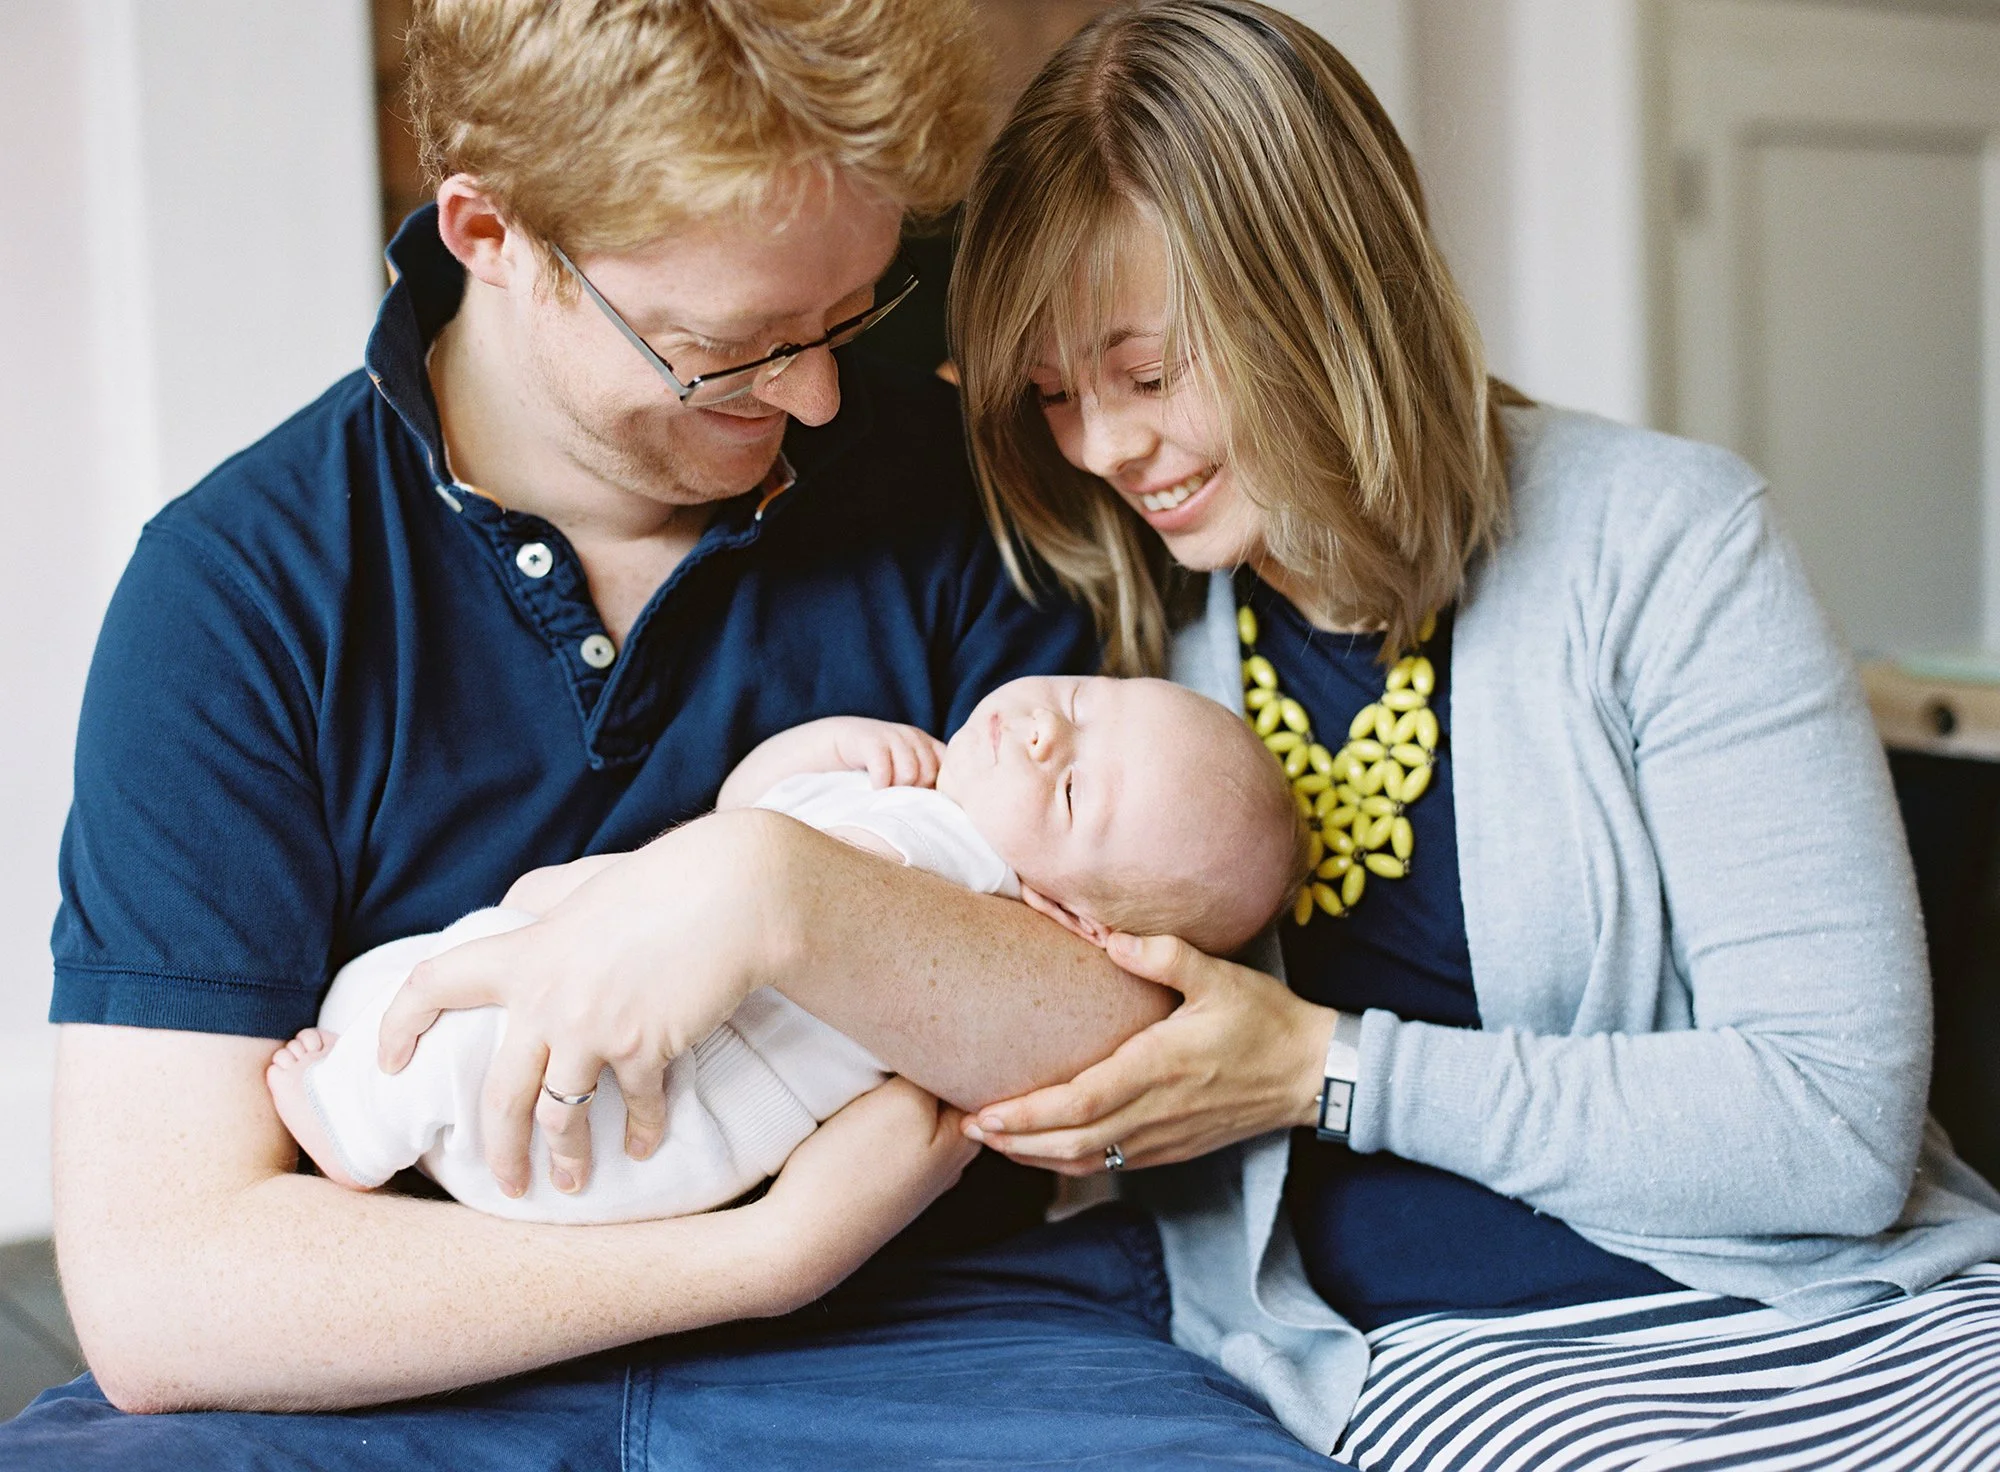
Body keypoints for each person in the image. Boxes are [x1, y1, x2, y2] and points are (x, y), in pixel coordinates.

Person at [314, 2, 2000, 1466]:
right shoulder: (1109, 616)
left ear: (1322, 298)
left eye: (1147, 370)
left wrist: (1323, 1068)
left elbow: (1834, 1129)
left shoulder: (1662, 543)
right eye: (1050, 392)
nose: (1107, 446)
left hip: (1810, 1303)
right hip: (1409, 1356)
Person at [9, 3, 1353, 1467]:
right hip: (400, 1385)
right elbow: (165, 1288)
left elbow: (1127, 1050)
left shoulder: (955, 496)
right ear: (489, 232)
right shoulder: (244, 591)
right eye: (732, 349)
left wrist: (780, 893)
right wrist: (760, 1258)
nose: (819, 393)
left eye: (849, 315)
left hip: (953, 1344)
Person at [268, 680, 1304, 1223]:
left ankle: (354, 1127)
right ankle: (380, 1089)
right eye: (1080, 701)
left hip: (634, 1110)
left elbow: (777, 871)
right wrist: (817, 751)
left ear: (1077, 918)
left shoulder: (955, 854)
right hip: (654, 1159)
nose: (1043, 734)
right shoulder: (928, 801)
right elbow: (744, 817)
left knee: (467, 1023)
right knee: (449, 980)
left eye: (1075, 791)